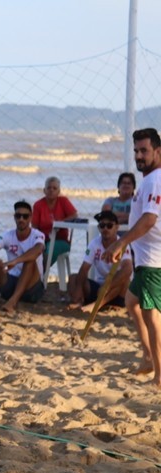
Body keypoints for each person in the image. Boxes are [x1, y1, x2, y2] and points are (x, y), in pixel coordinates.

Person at [103, 128, 161, 387]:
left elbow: (149, 219)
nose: (138, 155)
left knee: (152, 316)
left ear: (157, 151)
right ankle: (148, 357)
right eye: (136, 150)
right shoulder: (150, 180)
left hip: (153, 261)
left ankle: (159, 376)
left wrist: (121, 242)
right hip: (146, 259)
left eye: (144, 151)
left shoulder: (155, 180)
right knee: (131, 301)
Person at [0, 200, 46, 313]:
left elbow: (38, 250)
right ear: (14, 217)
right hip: (10, 283)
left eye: (25, 216)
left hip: (32, 288)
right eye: (18, 216)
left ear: (30, 218)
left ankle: (12, 302)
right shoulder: (8, 235)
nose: (21, 219)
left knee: (30, 260)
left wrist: (15, 261)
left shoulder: (37, 235)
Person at [67, 210, 133, 312]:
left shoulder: (122, 245)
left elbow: (128, 269)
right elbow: (84, 268)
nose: (105, 229)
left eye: (109, 226)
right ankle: (79, 302)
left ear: (117, 227)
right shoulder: (94, 244)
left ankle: (97, 305)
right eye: (102, 225)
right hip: (99, 287)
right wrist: (78, 290)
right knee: (73, 278)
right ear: (99, 228)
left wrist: (107, 286)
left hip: (116, 290)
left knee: (125, 280)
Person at [31, 176, 78, 268]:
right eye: (49, 188)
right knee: (30, 249)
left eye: (54, 188)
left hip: (61, 240)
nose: (51, 190)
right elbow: (34, 227)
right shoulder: (38, 205)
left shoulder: (63, 201)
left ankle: (40, 272)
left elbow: (74, 215)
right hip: (43, 240)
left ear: (59, 191)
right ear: (44, 190)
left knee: (50, 249)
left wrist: (60, 223)